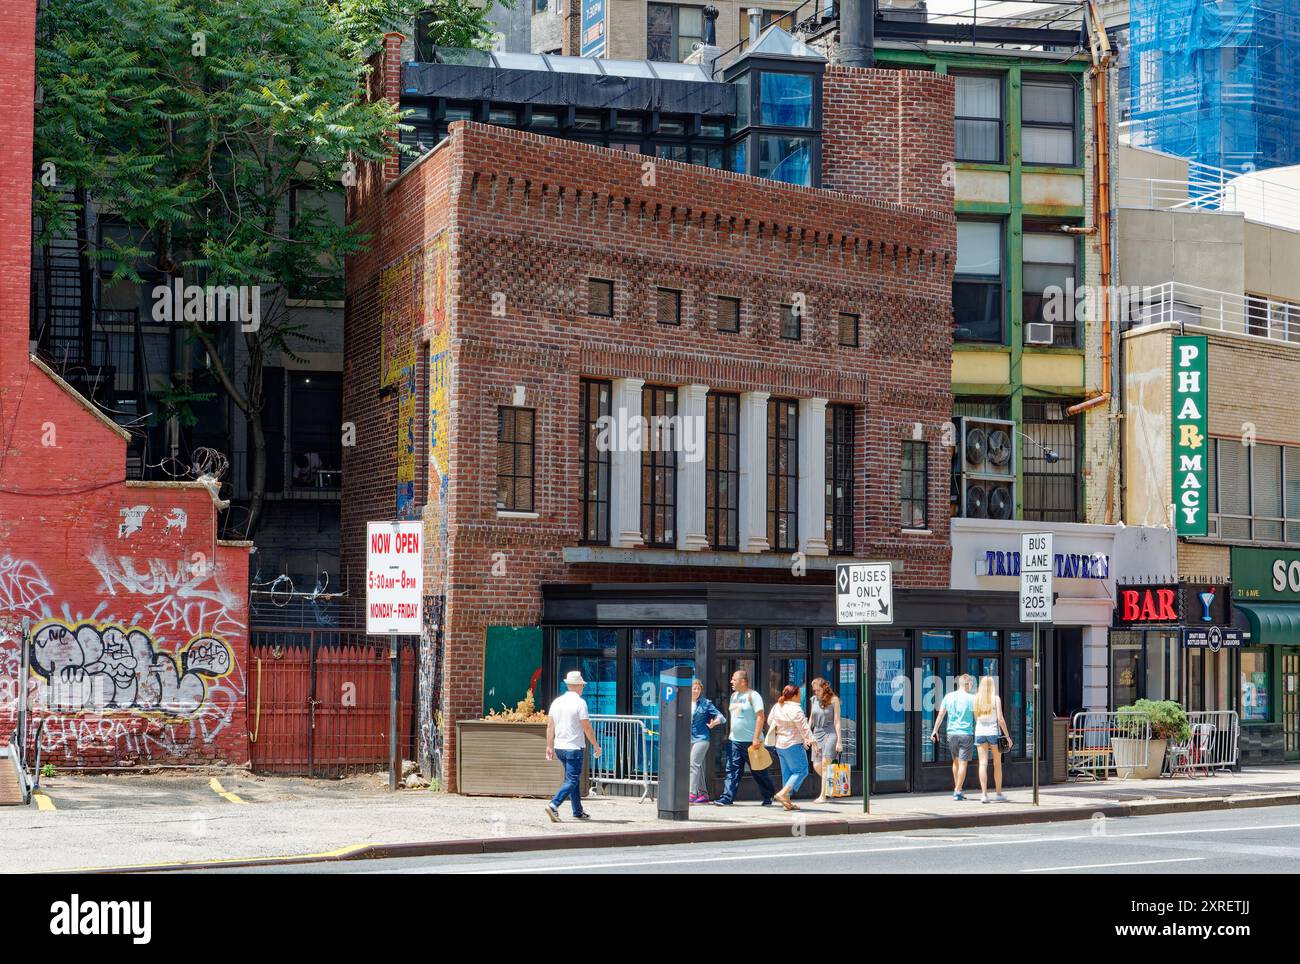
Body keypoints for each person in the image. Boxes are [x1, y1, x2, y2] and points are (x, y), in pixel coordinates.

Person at [544, 670, 602, 822]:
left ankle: (577, 811)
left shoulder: (556, 702)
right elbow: (587, 728)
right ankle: (554, 804)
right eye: (582, 685)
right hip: (574, 747)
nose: (582, 688)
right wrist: (596, 746)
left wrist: (549, 746)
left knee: (572, 779)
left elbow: (550, 726)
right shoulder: (580, 703)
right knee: (572, 779)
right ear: (577, 686)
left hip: (559, 747)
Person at [714, 669, 776, 806]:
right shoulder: (733, 696)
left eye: (734, 679)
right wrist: (729, 734)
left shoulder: (753, 696)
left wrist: (756, 738)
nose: (731, 682)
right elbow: (734, 717)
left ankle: (769, 796)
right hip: (734, 741)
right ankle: (727, 797)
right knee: (732, 770)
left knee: (759, 771)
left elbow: (761, 717)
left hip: (752, 742)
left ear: (743, 682)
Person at [766, 684, 814, 811]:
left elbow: (770, 721)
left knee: (787, 773)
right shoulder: (796, 709)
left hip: (779, 744)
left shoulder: (778, 706)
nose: (800, 696)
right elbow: (804, 727)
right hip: (793, 743)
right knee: (801, 770)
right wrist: (813, 741)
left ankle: (786, 802)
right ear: (795, 695)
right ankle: (783, 794)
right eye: (799, 694)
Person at [930, 673, 976, 800]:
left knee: (955, 762)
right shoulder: (972, 699)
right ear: (967, 684)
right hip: (966, 733)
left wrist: (935, 730)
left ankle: (959, 789)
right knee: (963, 763)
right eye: (971, 683)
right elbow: (976, 718)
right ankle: (957, 790)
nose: (972, 685)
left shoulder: (948, 697)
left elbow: (941, 715)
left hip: (952, 734)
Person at [973, 675, 1012, 803]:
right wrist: (1007, 736)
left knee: (982, 764)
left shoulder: (976, 699)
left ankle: (984, 794)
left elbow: (976, 717)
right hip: (993, 732)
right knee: (997, 764)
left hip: (979, 732)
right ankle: (998, 793)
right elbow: (1000, 719)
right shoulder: (996, 699)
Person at [689, 679, 726, 803]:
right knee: (697, 766)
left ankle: (692, 793)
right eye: (694, 688)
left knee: (693, 764)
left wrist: (715, 722)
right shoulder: (683, 701)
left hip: (701, 738)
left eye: (698, 689)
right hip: (687, 738)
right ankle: (704, 794)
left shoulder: (705, 703)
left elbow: (721, 717)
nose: (696, 691)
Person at [808, 677, 842, 803]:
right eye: (814, 691)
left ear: (824, 688)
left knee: (824, 764)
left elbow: (837, 721)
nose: (815, 692)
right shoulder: (814, 700)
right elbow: (811, 718)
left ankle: (823, 795)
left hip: (830, 733)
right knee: (816, 765)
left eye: (817, 690)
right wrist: (808, 734)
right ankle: (833, 784)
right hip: (817, 733)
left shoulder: (834, 700)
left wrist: (839, 741)